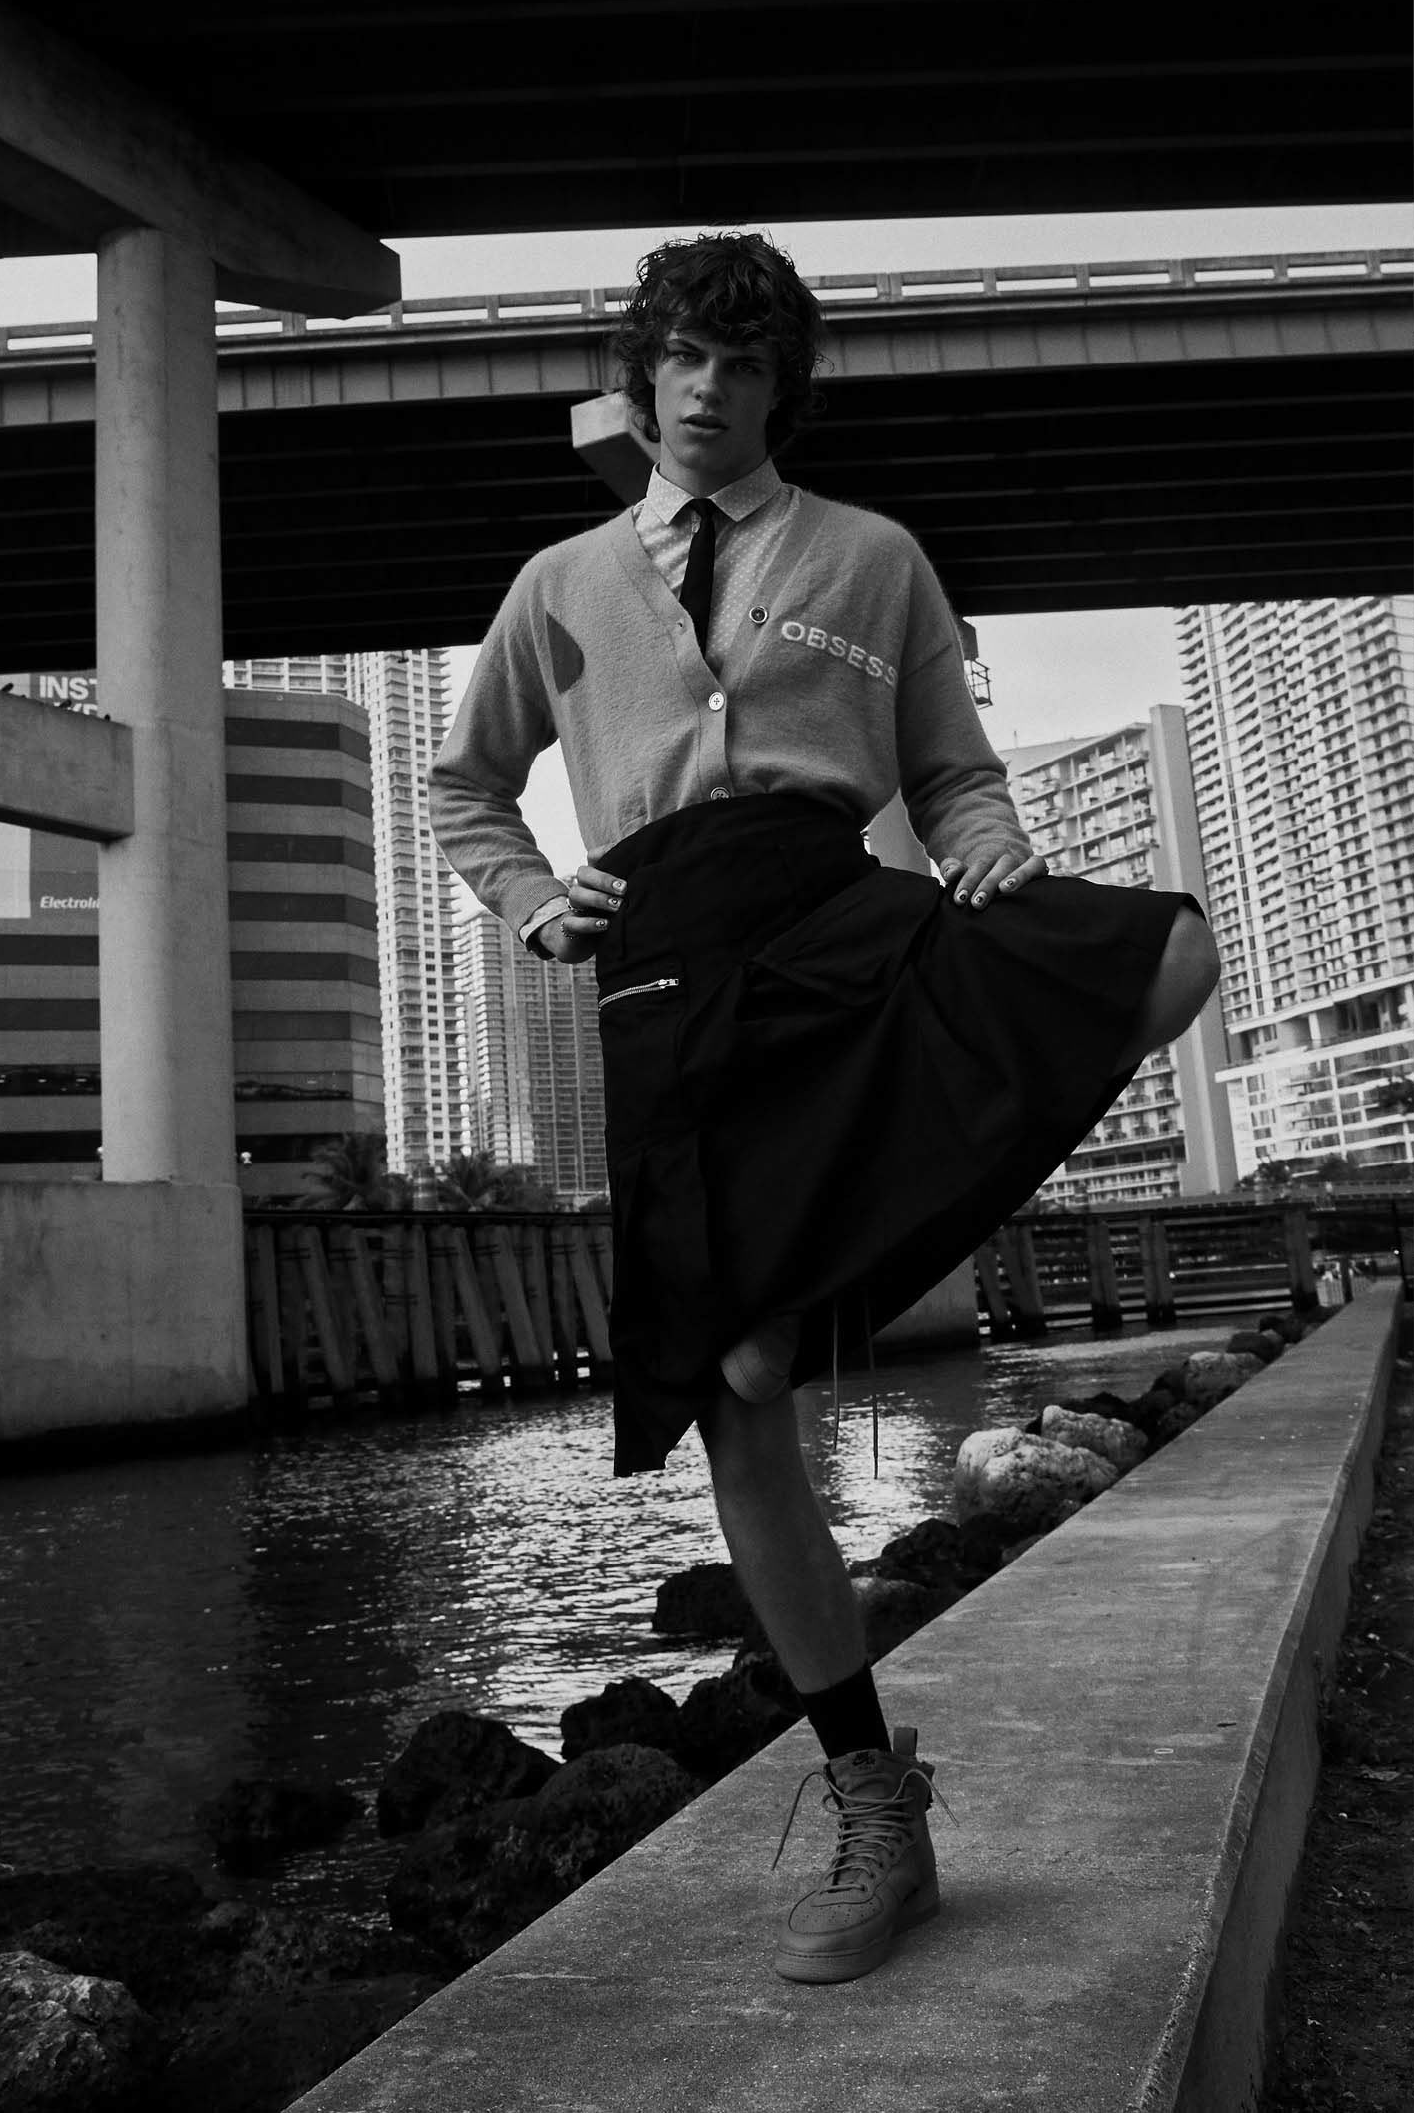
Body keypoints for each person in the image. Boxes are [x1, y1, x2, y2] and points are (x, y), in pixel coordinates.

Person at [429, 231, 1221, 1985]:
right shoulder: (561, 583)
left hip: (841, 917)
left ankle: (847, 1265)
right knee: (741, 1398)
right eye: (679, 359)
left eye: (740, 363)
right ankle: (875, 1804)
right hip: (665, 974)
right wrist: (532, 899)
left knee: (1168, 950)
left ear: (781, 386)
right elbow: (465, 784)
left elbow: (950, 778)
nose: (705, 390)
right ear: (641, 378)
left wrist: (990, 857)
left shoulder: (871, 555)